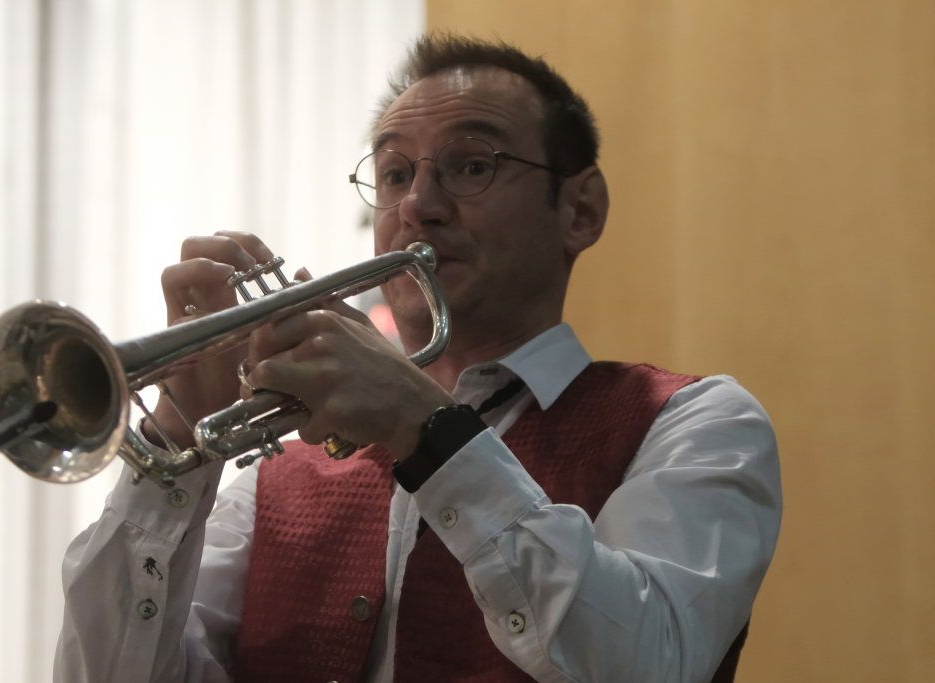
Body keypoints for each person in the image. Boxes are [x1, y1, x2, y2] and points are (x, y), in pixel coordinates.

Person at [55, 35, 781, 682]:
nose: (418, 206)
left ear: (580, 210)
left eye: (472, 165)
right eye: (396, 174)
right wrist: (175, 441)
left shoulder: (697, 424)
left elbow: (649, 661)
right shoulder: (274, 482)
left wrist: (429, 429)